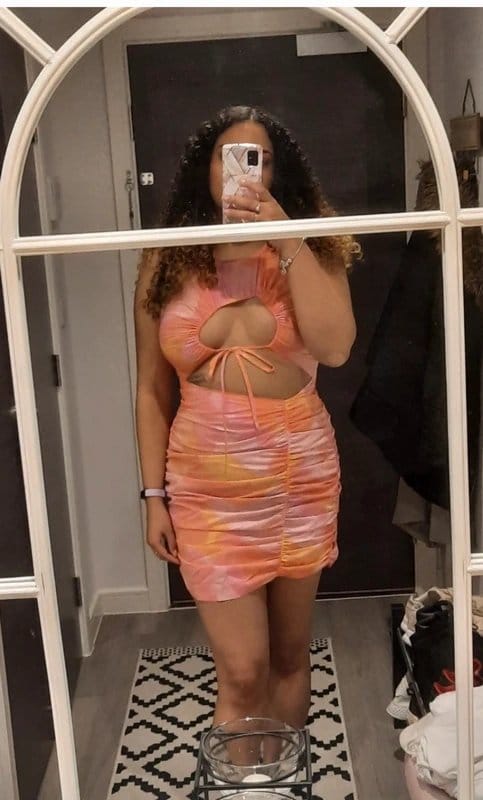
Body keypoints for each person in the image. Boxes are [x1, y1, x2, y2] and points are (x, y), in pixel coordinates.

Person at [133, 105, 360, 730]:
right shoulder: (166, 259)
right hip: (207, 493)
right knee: (241, 672)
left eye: (260, 159)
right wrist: (152, 496)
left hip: (298, 479)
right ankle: (246, 780)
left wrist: (286, 236)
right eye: (230, 157)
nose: (244, 171)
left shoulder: (311, 244)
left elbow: (336, 348)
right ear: (203, 168)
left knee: (289, 658)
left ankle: (281, 777)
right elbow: (151, 390)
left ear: (277, 172)